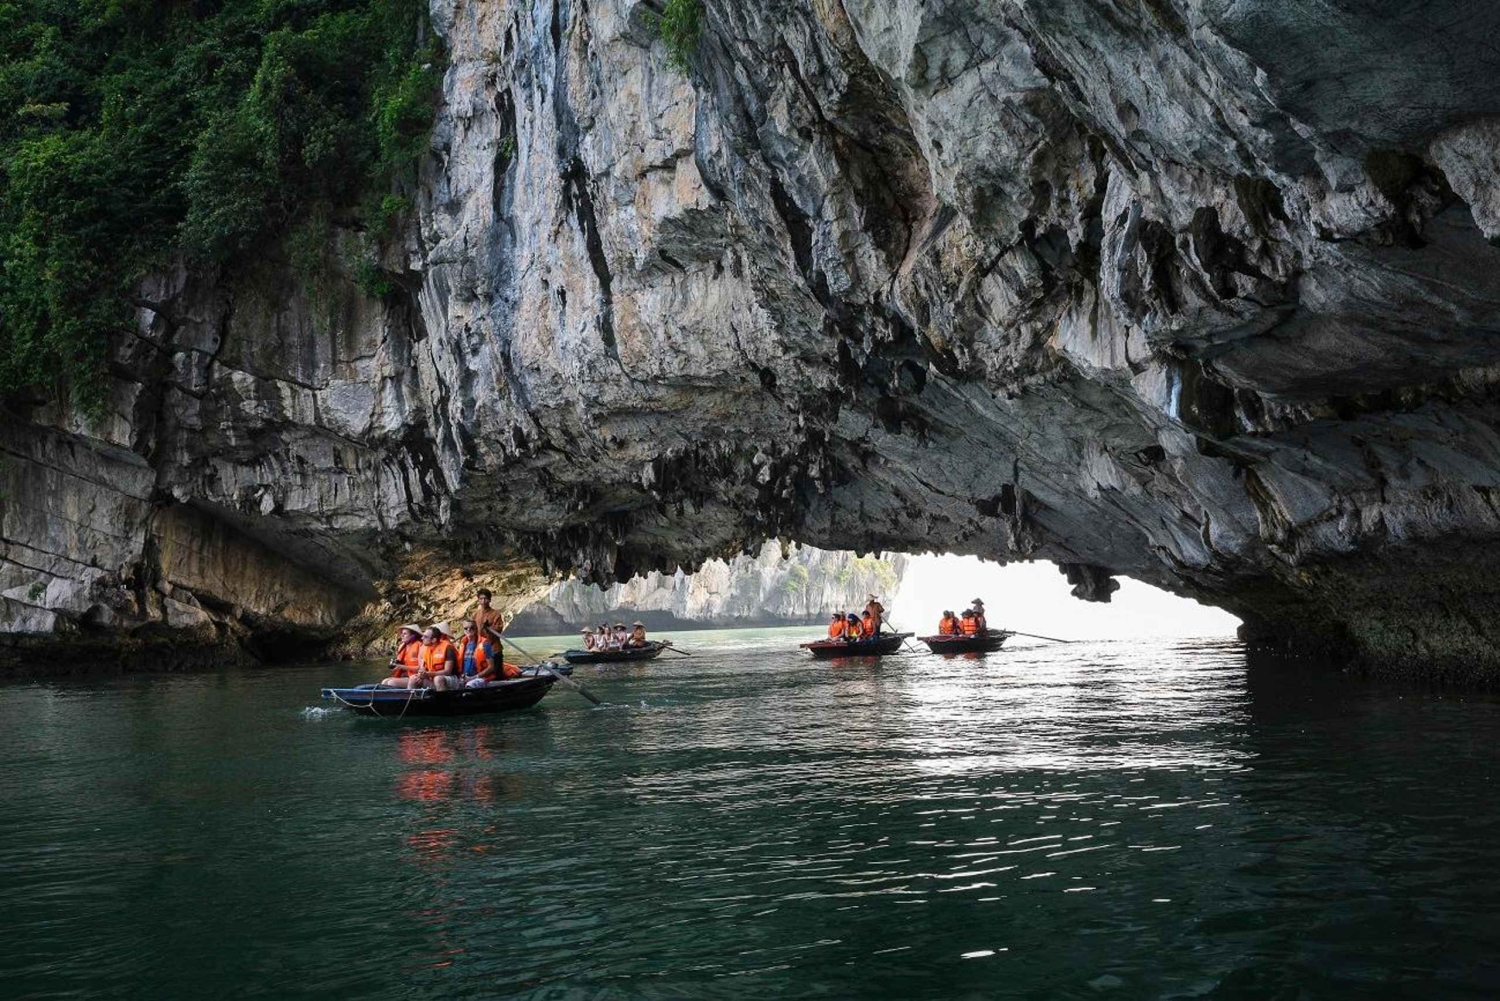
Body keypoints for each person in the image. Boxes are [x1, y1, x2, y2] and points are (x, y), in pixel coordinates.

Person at [457, 620, 520, 686]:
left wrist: (474, 677)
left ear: (476, 629)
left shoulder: (485, 644)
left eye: (472, 627)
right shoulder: (463, 643)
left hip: (481, 677)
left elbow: (491, 667)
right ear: (464, 630)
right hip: (465, 677)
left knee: (471, 685)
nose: (469, 630)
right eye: (466, 628)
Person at [415, 622, 461, 690]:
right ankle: (411, 697)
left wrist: (428, 674)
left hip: (451, 678)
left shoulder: (447, 647)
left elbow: (447, 671)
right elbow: (424, 668)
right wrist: (421, 675)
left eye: (425, 637)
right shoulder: (426, 648)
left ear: (434, 640)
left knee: (438, 679)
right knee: (414, 679)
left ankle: (442, 697)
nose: (422, 638)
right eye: (423, 636)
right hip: (432, 677)